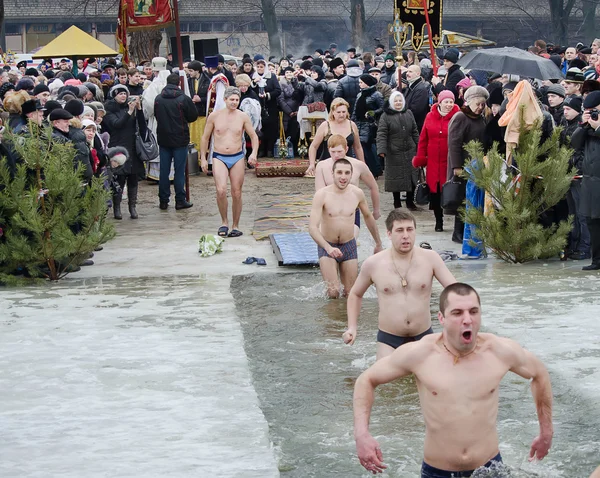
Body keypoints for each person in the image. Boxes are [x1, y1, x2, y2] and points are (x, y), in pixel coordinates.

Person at [352, 282, 554, 476]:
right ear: (441, 318)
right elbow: (366, 380)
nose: (467, 320)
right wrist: (362, 435)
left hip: (490, 469)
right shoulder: (421, 354)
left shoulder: (500, 351)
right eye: (457, 313)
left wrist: (546, 432)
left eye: (473, 311)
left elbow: (539, 373)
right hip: (438, 472)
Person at [344, 210, 456, 358]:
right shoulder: (373, 264)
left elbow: (455, 289)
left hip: (423, 336)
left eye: (410, 229)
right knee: (386, 380)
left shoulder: (430, 258)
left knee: (429, 380)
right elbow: (355, 294)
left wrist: (454, 319)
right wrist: (352, 327)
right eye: (399, 230)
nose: (405, 235)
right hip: (389, 339)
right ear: (389, 234)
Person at [309, 158, 383, 298]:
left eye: (347, 173)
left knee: (350, 293)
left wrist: (378, 243)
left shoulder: (357, 193)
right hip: (328, 246)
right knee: (333, 292)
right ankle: (331, 319)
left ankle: (347, 320)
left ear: (351, 174)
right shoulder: (322, 195)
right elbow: (312, 227)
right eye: (340, 172)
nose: (343, 177)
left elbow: (368, 217)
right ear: (333, 173)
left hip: (348, 245)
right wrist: (327, 247)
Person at [200, 86, 259, 238]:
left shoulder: (243, 116)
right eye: (231, 99)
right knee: (220, 190)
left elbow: (253, 135)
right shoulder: (214, 116)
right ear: (225, 99)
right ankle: (224, 222)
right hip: (219, 156)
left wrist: (254, 153)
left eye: (237, 100)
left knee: (236, 192)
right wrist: (202, 158)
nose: (234, 102)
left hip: (237, 156)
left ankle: (235, 225)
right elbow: (205, 137)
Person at [315, 134, 380, 239]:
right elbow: (320, 193)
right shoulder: (322, 166)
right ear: (328, 150)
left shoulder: (358, 165)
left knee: (350, 241)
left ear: (346, 149)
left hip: (351, 211)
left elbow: (373, 186)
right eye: (333, 152)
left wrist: (376, 209)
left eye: (339, 152)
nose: (336, 155)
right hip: (330, 212)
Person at [413, 90, 460, 232]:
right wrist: (421, 157)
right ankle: (438, 221)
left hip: (450, 160)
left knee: (451, 190)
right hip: (433, 161)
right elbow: (423, 139)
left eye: (451, 101)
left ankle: (456, 222)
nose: (449, 104)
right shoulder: (430, 116)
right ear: (440, 102)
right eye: (446, 101)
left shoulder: (458, 117)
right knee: (435, 191)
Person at [447, 85, 489, 245]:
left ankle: (469, 232)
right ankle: (458, 233)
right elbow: (454, 143)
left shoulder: (480, 118)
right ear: (469, 101)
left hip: (477, 166)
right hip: (463, 166)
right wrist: (457, 167)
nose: (480, 107)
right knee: (461, 200)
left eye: (482, 104)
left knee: (471, 200)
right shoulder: (460, 117)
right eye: (477, 104)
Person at [154, 73, 198, 210]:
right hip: (180, 138)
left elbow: (156, 115)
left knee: (164, 171)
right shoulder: (183, 99)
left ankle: (163, 200)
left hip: (164, 138)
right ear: (178, 83)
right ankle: (180, 199)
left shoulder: (158, 99)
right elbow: (193, 116)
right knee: (179, 171)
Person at [103, 84, 146, 219]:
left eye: (124, 93)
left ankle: (132, 207)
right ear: (114, 96)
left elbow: (142, 127)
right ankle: (117, 207)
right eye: (120, 94)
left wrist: (139, 110)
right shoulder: (109, 110)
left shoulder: (131, 108)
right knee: (119, 179)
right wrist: (129, 112)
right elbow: (117, 124)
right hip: (118, 148)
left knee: (133, 179)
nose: (123, 96)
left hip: (132, 147)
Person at [571, 90, 600, 270]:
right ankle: (596, 260)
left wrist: (598, 127)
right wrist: (584, 124)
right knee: (592, 221)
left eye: (595, 109)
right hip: (590, 181)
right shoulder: (587, 126)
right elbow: (574, 142)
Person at [377, 91, 420, 210]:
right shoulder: (385, 116)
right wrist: (382, 149)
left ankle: (410, 201)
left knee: (411, 177)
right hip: (393, 151)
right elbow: (381, 133)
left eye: (400, 100)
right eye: (395, 101)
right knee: (395, 178)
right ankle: (397, 202)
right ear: (391, 102)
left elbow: (415, 131)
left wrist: (420, 146)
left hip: (410, 150)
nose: (398, 103)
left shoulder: (408, 113)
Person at [307, 98, 364, 175]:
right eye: (338, 112)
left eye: (344, 112)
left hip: (347, 166)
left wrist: (363, 164)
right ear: (333, 112)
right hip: (327, 167)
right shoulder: (325, 125)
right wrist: (312, 164)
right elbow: (313, 146)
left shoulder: (352, 125)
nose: (341, 115)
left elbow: (358, 147)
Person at [352, 74, 384, 178]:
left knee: (368, 147)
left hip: (369, 125)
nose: (359, 84)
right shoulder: (359, 95)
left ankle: (374, 170)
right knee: (359, 146)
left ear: (367, 83)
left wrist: (373, 112)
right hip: (359, 124)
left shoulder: (376, 95)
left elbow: (383, 108)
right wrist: (351, 121)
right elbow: (355, 110)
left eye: (361, 82)